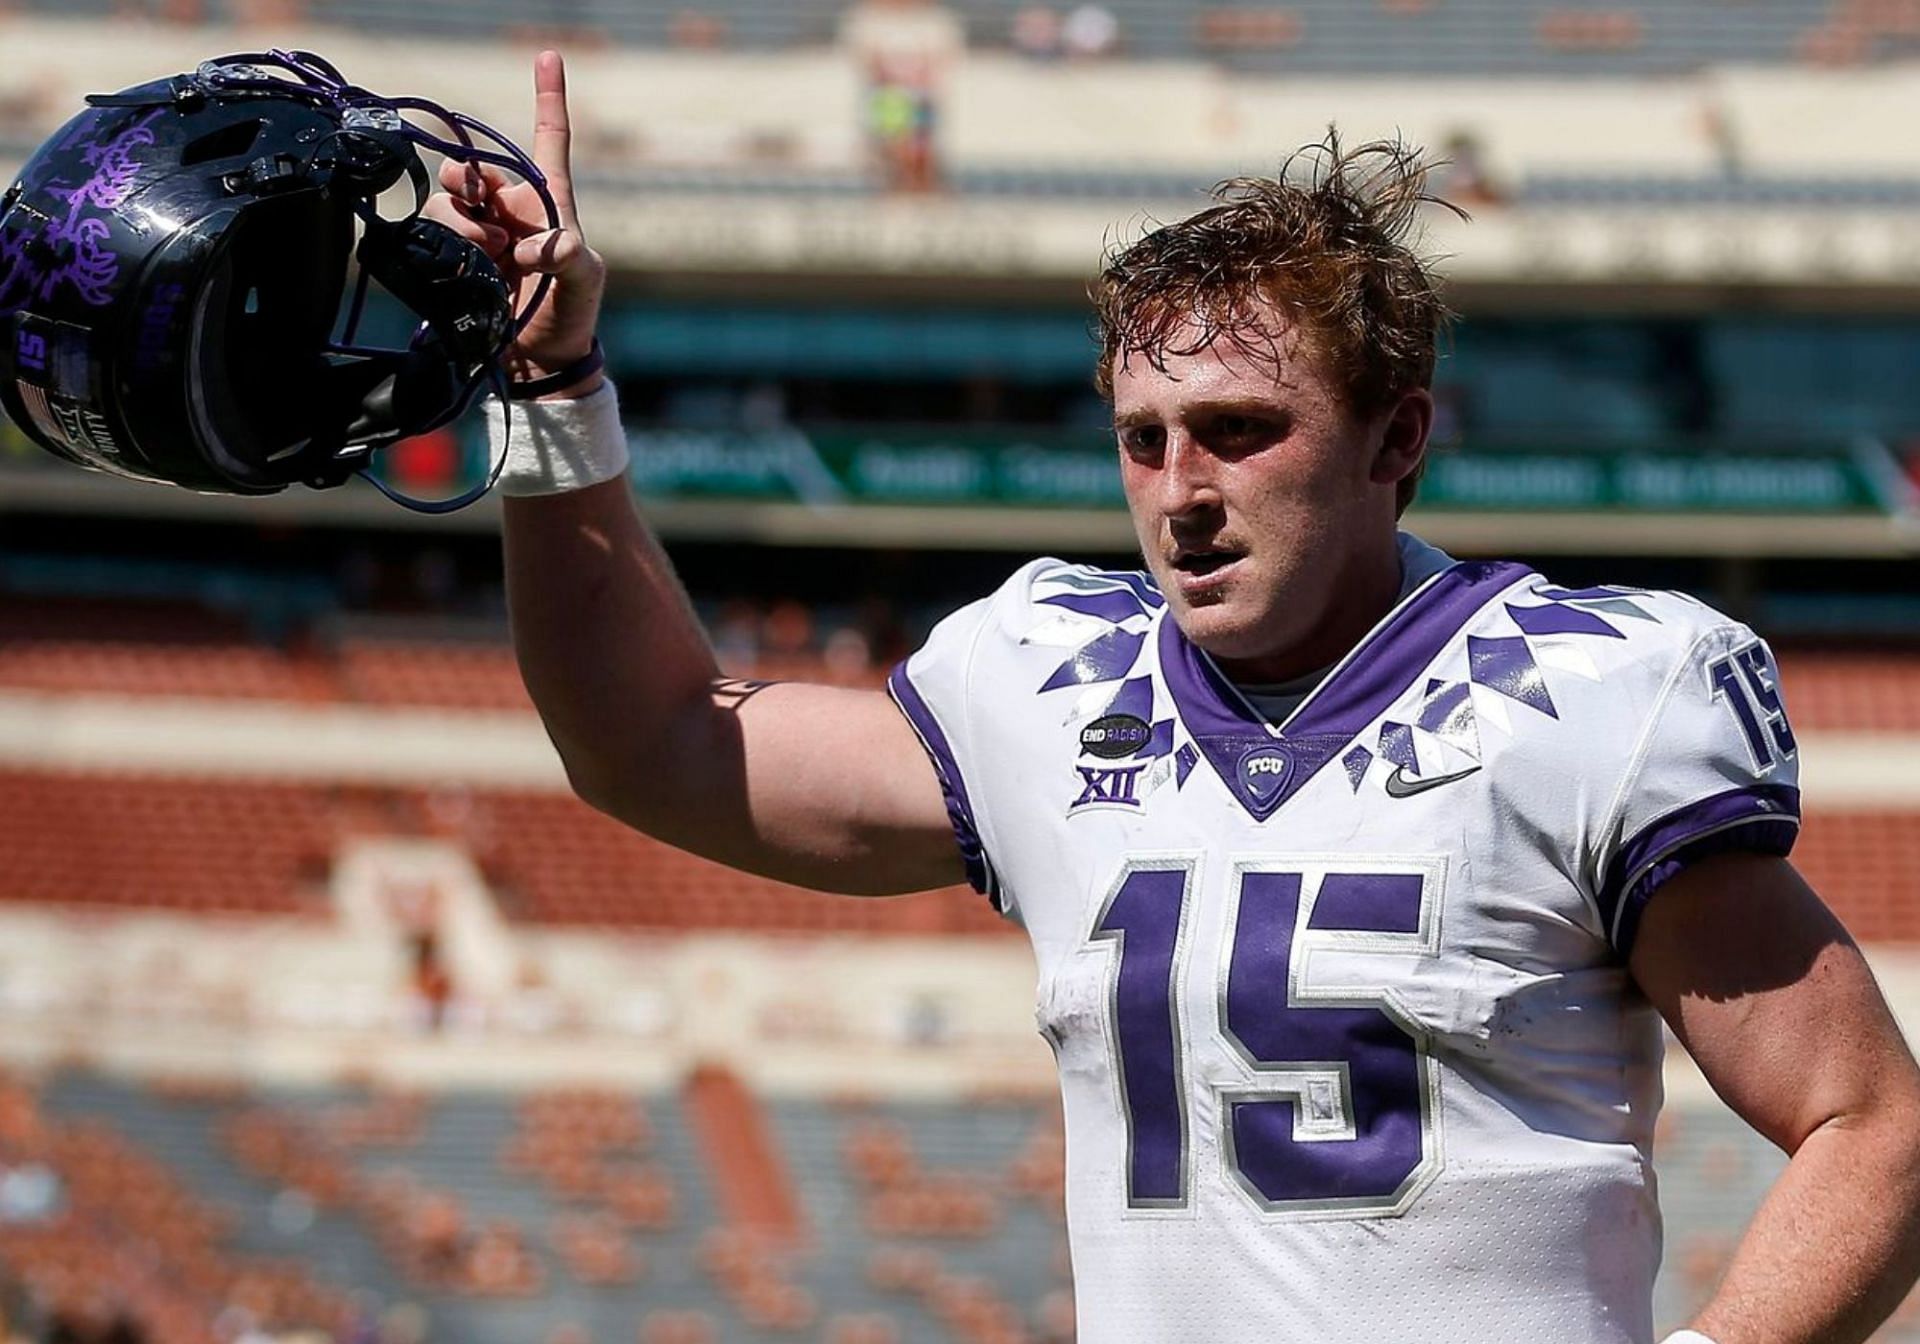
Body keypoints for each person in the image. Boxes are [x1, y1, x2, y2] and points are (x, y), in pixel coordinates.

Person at [429, 52, 1920, 1344]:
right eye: (1142, 441)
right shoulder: (1048, 680)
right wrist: (554, 391)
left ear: (1398, 436)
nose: (1180, 493)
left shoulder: (1588, 697)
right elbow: (657, 743)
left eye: (1238, 430)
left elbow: (1875, 1123)